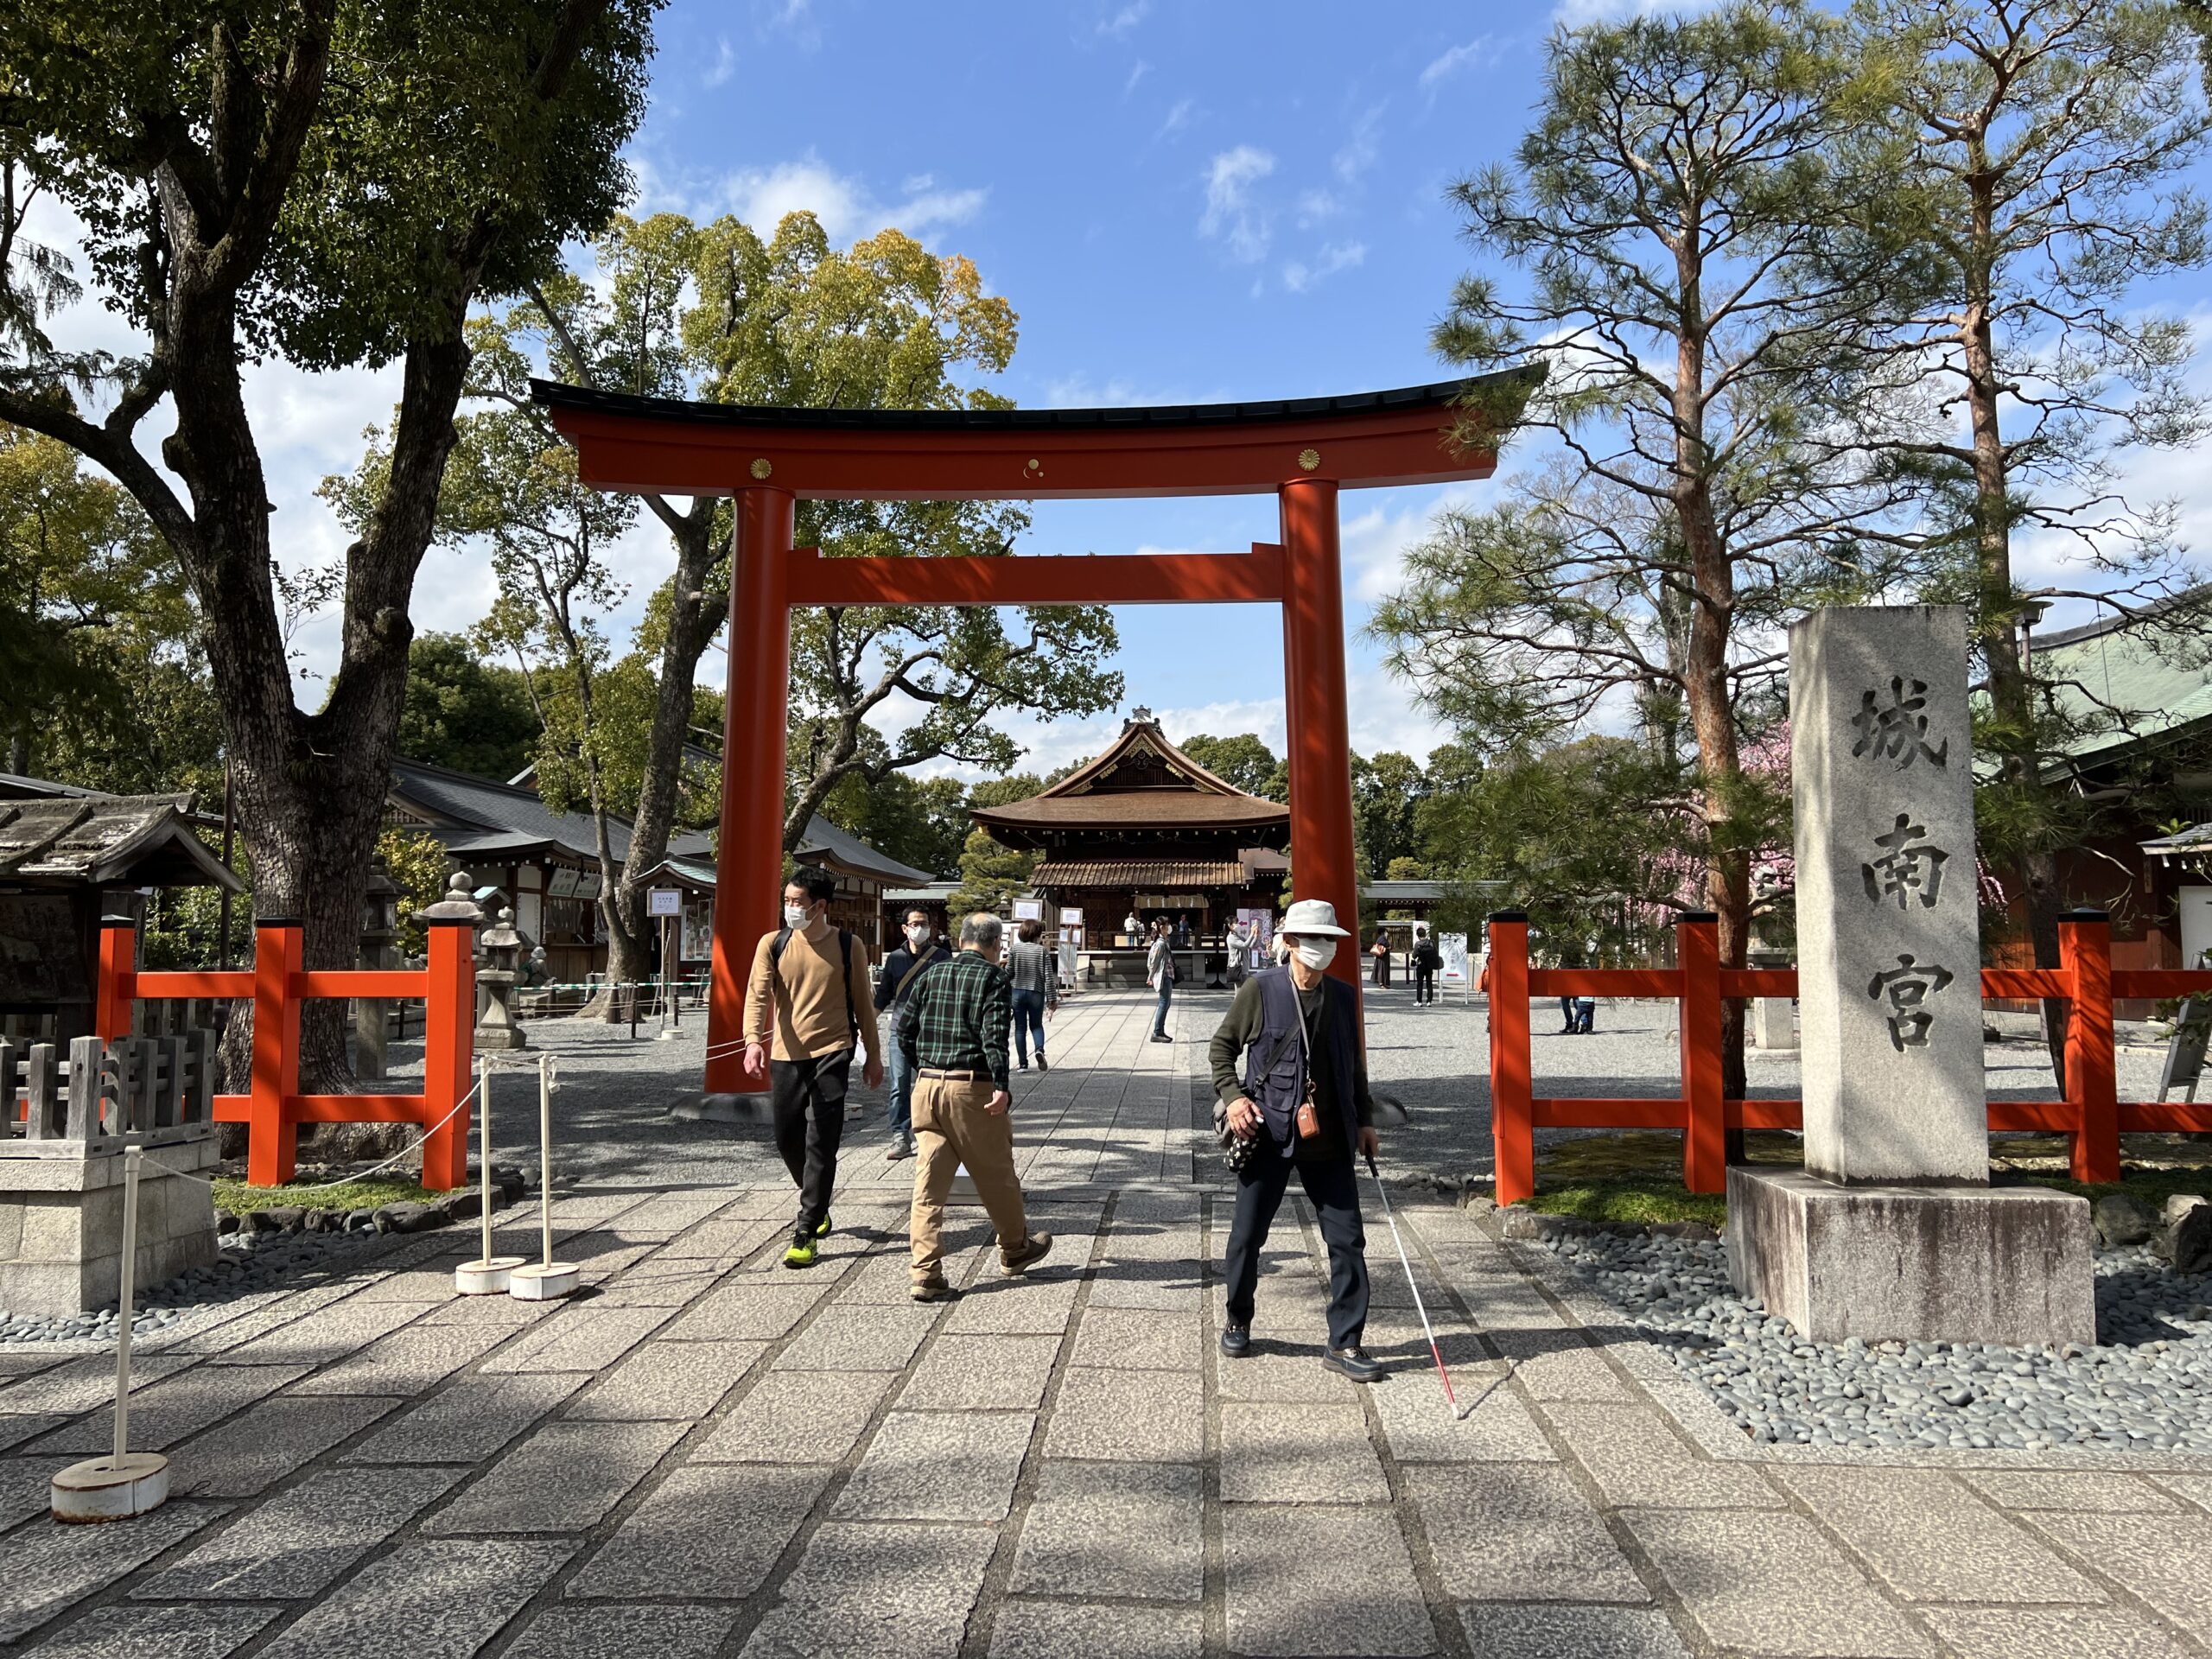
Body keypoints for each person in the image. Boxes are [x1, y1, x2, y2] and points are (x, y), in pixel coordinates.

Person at [1211, 899, 1385, 1382]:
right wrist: (1233, 1098)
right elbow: (1222, 1048)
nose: (1322, 949)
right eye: (1312, 940)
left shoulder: (1345, 996)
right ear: (1288, 943)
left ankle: (1345, 1342)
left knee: (1348, 1240)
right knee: (1247, 1235)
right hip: (1269, 1130)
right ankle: (1238, 1317)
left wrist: (1365, 1120)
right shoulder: (1260, 989)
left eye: (1329, 940)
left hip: (1329, 1136)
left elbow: (1354, 1067)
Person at [898, 912, 1052, 1301]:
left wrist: (925, 1067)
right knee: (996, 1174)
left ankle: (925, 1271)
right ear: (996, 943)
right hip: (972, 1089)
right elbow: (993, 1036)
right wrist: (1001, 1085)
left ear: (962, 938)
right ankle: (1015, 1249)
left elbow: (904, 1031)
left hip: (927, 1087)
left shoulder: (930, 974)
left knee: (928, 1186)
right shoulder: (993, 978)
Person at [744, 868, 884, 1268]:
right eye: (786, 901)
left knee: (822, 1140)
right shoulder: (773, 943)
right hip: (786, 1054)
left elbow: (863, 1003)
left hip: (833, 1051)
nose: (790, 908)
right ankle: (818, 1203)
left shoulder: (846, 944)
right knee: (788, 1138)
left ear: (819, 905)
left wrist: (873, 1056)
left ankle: (806, 1228)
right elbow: (757, 995)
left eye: (796, 902)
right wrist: (753, 1040)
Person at [874, 906, 950, 1162]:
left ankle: (938, 1132)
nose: (921, 928)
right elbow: (884, 993)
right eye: (915, 923)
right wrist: (865, 1023)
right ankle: (900, 1136)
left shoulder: (941, 956)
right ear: (905, 928)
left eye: (925, 923)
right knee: (899, 1085)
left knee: (934, 1085)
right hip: (900, 1029)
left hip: (932, 1031)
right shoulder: (894, 958)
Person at [1007, 918, 1058, 1071]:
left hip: (1017, 991)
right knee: (1036, 1025)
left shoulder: (1014, 949)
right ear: (1037, 934)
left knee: (1020, 1028)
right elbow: (1048, 976)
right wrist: (1052, 999)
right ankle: (1039, 1050)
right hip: (1036, 992)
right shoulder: (1041, 951)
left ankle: (1023, 1064)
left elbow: (1009, 972)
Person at [1147, 918, 1176, 1044]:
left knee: (1166, 1003)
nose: (1169, 927)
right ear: (1162, 928)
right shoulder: (1160, 944)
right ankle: (1157, 1032)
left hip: (1168, 975)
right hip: (1164, 976)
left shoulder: (1164, 941)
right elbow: (1154, 962)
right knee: (1164, 1003)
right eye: (1167, 925)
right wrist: (1151, 976)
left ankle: (1160, 1030)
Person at [1412, 931, 1442, 1005]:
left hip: (1421, 965)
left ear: (1418, 936)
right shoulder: (1431, 943)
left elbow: (1414, 956)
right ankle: (1429, 1001)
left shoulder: (1417, 944)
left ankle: (1419, 1001)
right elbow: (1436, 952)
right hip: (1429, 966)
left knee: (1420, 984)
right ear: (1425, 934)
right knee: (1429, 983)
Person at [1225, 918, 1252, 991]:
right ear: (1230, 925)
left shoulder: (1237, 936)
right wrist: (1252, 934)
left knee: (1243, 992)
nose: (1238, 925)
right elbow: (1244, 945)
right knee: (1240, 993)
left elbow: (1250, 945)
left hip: (1244, 967)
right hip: (1239, 968)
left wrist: (1255, 935)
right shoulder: (1231, 938)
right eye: (1235, 923)